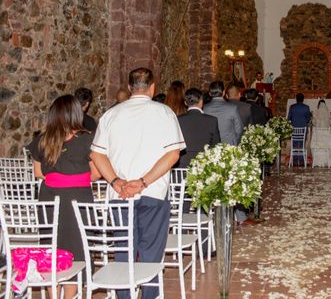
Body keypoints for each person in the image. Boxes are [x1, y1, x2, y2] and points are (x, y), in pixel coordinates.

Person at [90, 67, 185, 299]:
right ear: (153, 87)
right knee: (151, 251)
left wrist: (115, 181)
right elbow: (172, 155)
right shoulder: (164, 113)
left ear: (130, 87)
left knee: (125, 252)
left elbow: (97, 155)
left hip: (120, 195)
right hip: (153, 192)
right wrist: (143, 182)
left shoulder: (110, 115)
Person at [28, 95, 100, 299]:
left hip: (49, 200)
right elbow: (96, 174)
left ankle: (53, 295)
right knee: (77, 248)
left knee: (52, 246)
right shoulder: (88, 139)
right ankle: (69, 296)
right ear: (77, 114)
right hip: (78, 200)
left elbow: (39, 173)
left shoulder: (43, 140)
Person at [176, 88, 221, 168]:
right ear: (201, 101)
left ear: (185, 103)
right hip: (204, 164)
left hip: (183, 165)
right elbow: (216, 146)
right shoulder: (212, 120)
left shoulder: (178, 119)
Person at [203, 81, 243, 146]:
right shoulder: (232, 108)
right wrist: (234, 142)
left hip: (212, 147)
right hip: (229, 146)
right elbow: (239, 130)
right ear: (224, 92)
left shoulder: (205, 108)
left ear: (210, 93)